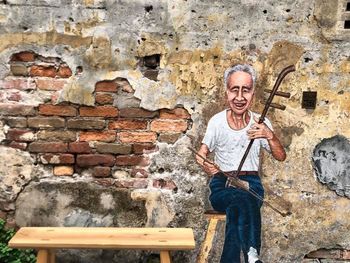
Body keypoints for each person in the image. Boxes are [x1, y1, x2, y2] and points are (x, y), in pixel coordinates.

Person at [196, 64, 286, 263]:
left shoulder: (260, 122)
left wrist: (269, 135)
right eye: (234, 90)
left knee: (240, 204)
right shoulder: (217, 122)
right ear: (226, 91)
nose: (239, 97)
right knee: (240, 199)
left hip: (252, 184)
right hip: (222, 185)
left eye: (245, 90)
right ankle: (253, 255)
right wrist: (206, 164)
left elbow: (281, 156)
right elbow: (200, 154)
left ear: (253, 93)